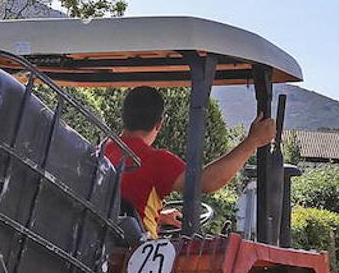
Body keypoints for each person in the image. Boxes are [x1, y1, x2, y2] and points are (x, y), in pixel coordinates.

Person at [103, 86, 276, 237]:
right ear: (159, 124)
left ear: (124, 117)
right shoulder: (156, 161)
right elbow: (207, 182)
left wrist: (160, 216)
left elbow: (118, 205)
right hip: (138, 257)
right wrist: (252, 142)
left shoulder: (101, 152)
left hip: (102, 246)